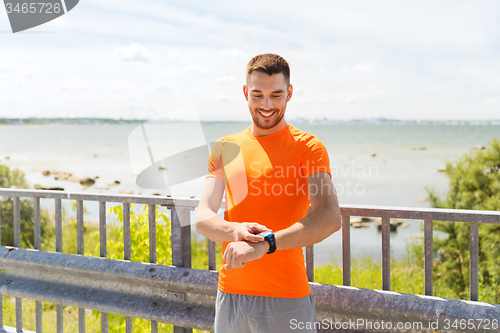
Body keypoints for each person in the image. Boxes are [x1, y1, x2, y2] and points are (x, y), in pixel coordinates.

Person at [195, 53, 341, 333]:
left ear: (289, 93)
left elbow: (329, 216)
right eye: (257, 94)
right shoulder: (225, 148)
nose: (266, 105)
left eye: (276, 95)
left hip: (285, 299)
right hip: (230, 296)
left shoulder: (307, 147)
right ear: (244, 93)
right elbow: (202, 217)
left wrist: (265, 244)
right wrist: (234, 230)